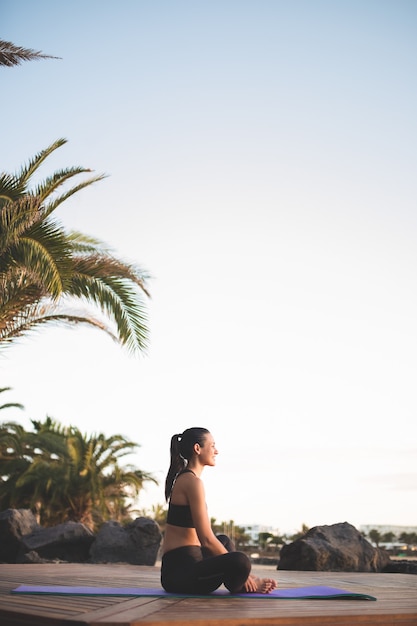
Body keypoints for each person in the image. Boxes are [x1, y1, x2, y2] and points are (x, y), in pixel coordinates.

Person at [160, 427, 277, 595]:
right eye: (212, 445)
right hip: (179, 576)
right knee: (240, 561)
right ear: (197, 448)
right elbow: (206, 539)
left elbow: (209, 542)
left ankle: (241, 584)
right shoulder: (192, 482)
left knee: (225, 541)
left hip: (188, 565)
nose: (217, 451)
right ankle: (244, 583)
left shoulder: (188, 479)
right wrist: (247, 574)